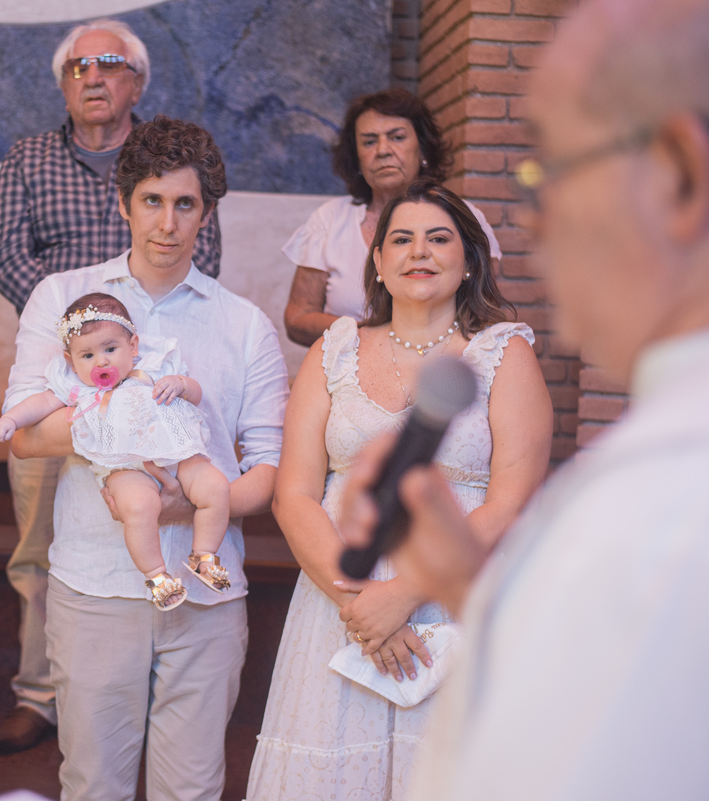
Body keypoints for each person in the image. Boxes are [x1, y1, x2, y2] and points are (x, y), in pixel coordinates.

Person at [332, 1, 709, 799]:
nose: (533, 217)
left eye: (551, 170)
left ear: (681, 177)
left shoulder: (670, 506)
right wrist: (469, 588)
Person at [7, 116, 288, 800]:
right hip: (95, 585)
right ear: (125, 201)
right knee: (93, 784)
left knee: (190, 789)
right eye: (153, 200)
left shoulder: (243, 324)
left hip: (208, 597)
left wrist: (183, 498)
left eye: (185, 203)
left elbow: (268, 472)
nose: (167, 222)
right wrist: (120, 430)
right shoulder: (65, 303)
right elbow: (25, 433)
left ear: (207, 212)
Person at [247, 180, 552, 799]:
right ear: (379, 264)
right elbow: (295, 493)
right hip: (339, 604)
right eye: (402, 239)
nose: (420, 251)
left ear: (468, 261)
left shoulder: (503, 353)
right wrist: (363, 603)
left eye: (439, 238)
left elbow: (513, 500)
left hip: (450, 598)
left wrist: (406, 594)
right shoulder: (333, 350)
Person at [0, 16, 223, 754]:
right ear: (63, 82)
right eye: (79, 66)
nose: (94, 76)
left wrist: (128, 343)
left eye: (111, 64)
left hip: (144, 375)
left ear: (137, 81)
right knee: (37, 543)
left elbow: (203, 253)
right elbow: (5, 256)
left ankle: (146, 686)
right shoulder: (28, 158)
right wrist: (82, 330)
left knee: (154, 512)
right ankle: (42, 692)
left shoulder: (175, 164)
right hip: (66, 374)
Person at [0, 292, 232, 609]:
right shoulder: (77, 387)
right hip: (125, 465)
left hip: (179, 453)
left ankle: (204, 556)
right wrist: (10, 419)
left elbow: (196, 395)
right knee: (139, 507)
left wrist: (181, 385)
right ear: (70, 362)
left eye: (111, 349)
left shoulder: (154, 366)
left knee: (216, 486)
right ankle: (158, 577)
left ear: (133, 346)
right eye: (87, 356)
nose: (101, 361)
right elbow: (41, 404)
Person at [282, 88, 502, 347]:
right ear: (357, 158)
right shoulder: (329, 220)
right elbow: (298, 318)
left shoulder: (464, 218)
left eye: (397, 137)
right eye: (369, 141)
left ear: (423, 150)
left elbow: (486, 311)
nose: (383, 150)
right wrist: (368, 333)